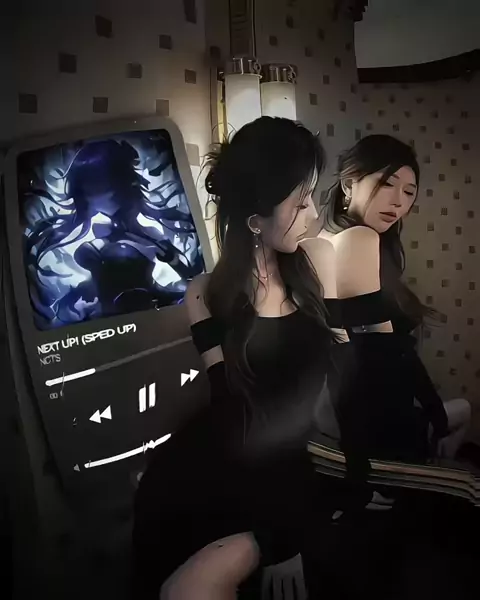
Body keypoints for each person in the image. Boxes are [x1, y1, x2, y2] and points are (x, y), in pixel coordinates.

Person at [132, 117, 340, 599]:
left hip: (299, 458)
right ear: (255, 218)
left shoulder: (317, 262)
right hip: (225, 468)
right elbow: (232, 411)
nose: (313, 214)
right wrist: (275, 532)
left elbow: (333, 386)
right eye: (300, 202)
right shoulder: (205, 293)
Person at [317, 134, 471, 505]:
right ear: (349, 183)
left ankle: (423, 471)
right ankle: (419, 478)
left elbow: (353, 343)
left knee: (454, 415)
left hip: (334, 411)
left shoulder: (326, 237)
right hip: (365, 419)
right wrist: (361, 468)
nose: (399, 201)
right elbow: (371, 356)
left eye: (409, 191)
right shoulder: (359, 240)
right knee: (463, 412)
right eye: (387, 184)